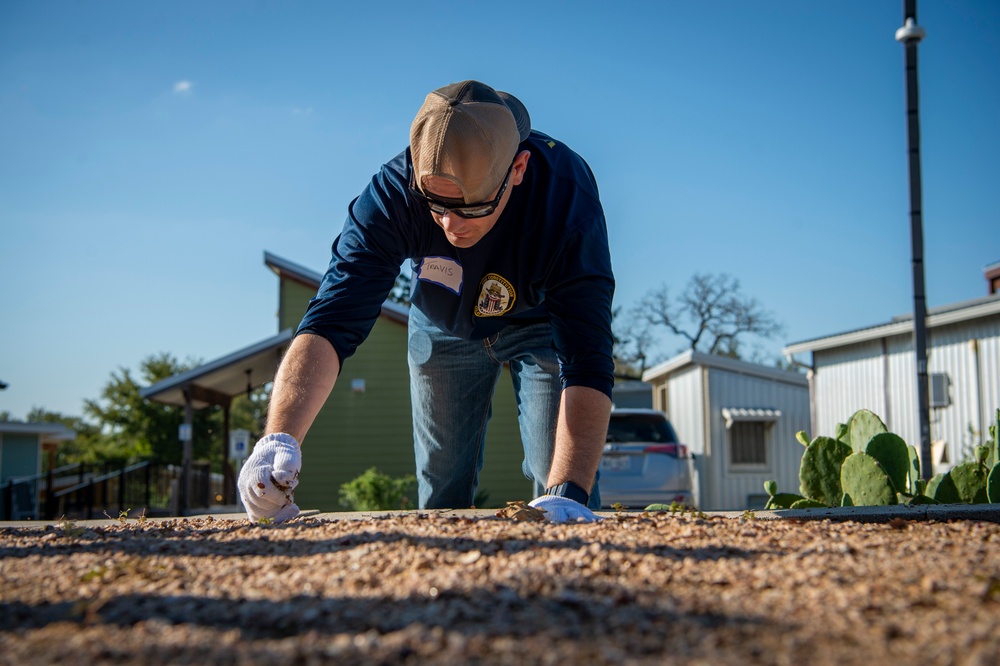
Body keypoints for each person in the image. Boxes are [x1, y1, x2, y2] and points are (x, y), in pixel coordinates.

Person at [238, 80, 615, 523]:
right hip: (441, 322)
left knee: (556, 478)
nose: (451, 227)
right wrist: (278, 438)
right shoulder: (392, 194)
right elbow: (332, 318)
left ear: (517, 169)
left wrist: (569, 490)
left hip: (541, 324)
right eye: (435, 206)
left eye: (471, 209)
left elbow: (587, 358)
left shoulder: (567, 199)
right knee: (441, 486)